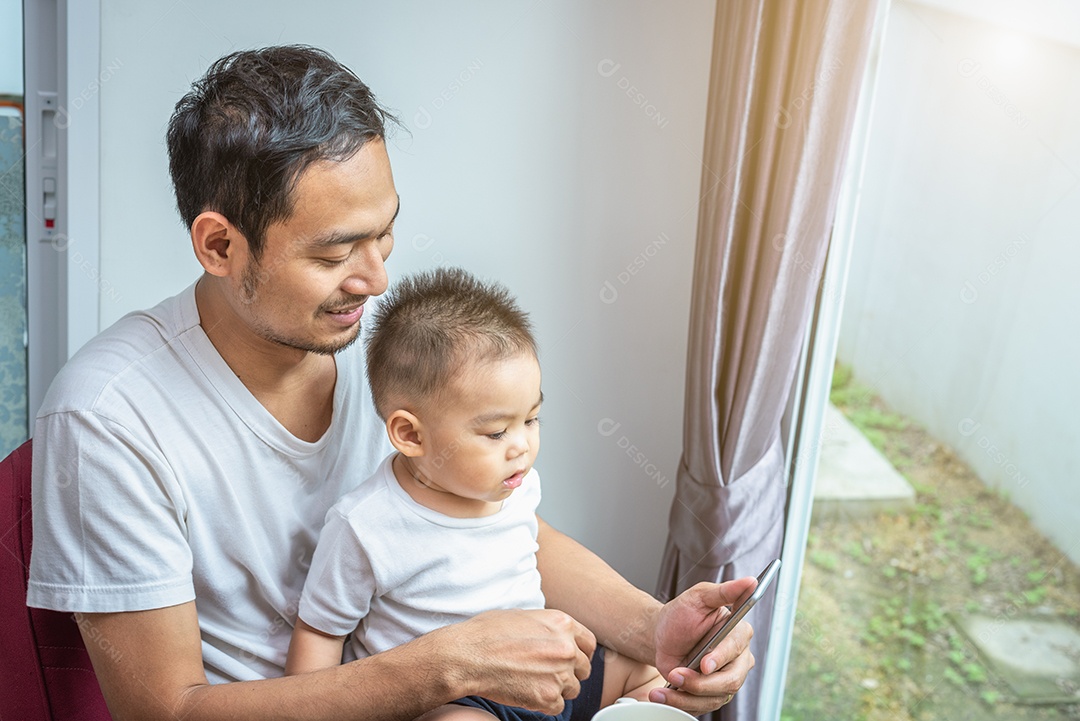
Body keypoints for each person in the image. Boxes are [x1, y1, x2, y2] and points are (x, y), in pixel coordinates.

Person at [26, 45, 755, 721]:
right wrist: (448, 663)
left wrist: (654, 626)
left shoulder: (378, 353)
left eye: (383, 234)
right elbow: (168, 712)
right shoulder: (108, 418)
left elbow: (496, 527)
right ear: (220, 244)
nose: (376, 281)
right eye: (336, 253)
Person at [286, 267, 665, 720]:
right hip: (458, 701)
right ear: (411, 435)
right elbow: (320, 634)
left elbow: (538, 552)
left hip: (549, 676)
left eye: (531, 419)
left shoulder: (518, 487)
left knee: (647, 673)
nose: (521, 446)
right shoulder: (365, 525)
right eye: (496, 432)